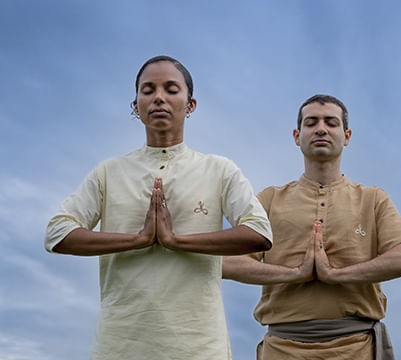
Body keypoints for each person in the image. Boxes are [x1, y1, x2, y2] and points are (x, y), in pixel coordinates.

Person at [45, 55, 273, 360]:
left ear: (191, 105)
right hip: (120, 343)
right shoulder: (109, 172)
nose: (159, 98)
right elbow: (57, 234)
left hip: (198, 344)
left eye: (171, 89)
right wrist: (139, 239)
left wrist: (176, 241)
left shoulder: (219, 170)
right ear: (136, 104)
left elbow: (259, 231)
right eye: (148, 90)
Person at [222, 94, 401, 360]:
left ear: (347, 135)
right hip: (283, 348)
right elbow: (226, 262)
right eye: (311, 122)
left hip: (356, 348)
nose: (321, 129)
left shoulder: (373, 199)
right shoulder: (269, 200)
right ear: (297, 135)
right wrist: (295, 273)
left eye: (331, 122)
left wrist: (335, 274)